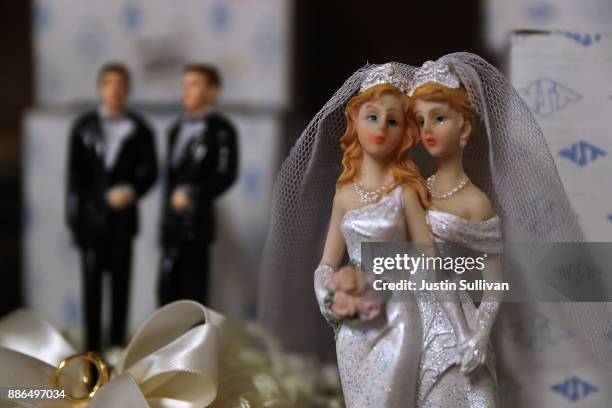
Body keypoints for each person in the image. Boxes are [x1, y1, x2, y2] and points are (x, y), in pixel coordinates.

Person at [66, 62, 158, 352]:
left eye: (120, 85)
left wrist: (132, 190)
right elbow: (75, 181)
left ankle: (117, 348)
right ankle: (92, 354)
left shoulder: (141, 129)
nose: (114, 90)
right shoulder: (83, 129)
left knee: (121, 291)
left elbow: (151, 170)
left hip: (122, 224)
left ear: (127, 90)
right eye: (109, 84)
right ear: (100, 89)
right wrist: (74, 220)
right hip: (92, 223)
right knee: (92, 291)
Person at [158, 63, 239, 306]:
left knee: (194, 287)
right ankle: (166, 339)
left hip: (196, 222)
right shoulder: (174, 129)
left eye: (194, 84)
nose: (187, 90)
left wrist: (193, 192)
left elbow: (226, 175)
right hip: (171, 223)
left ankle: (193, 339)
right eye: (185, 84)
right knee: (166, 285)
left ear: (212, 91)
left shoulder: (222, 131)